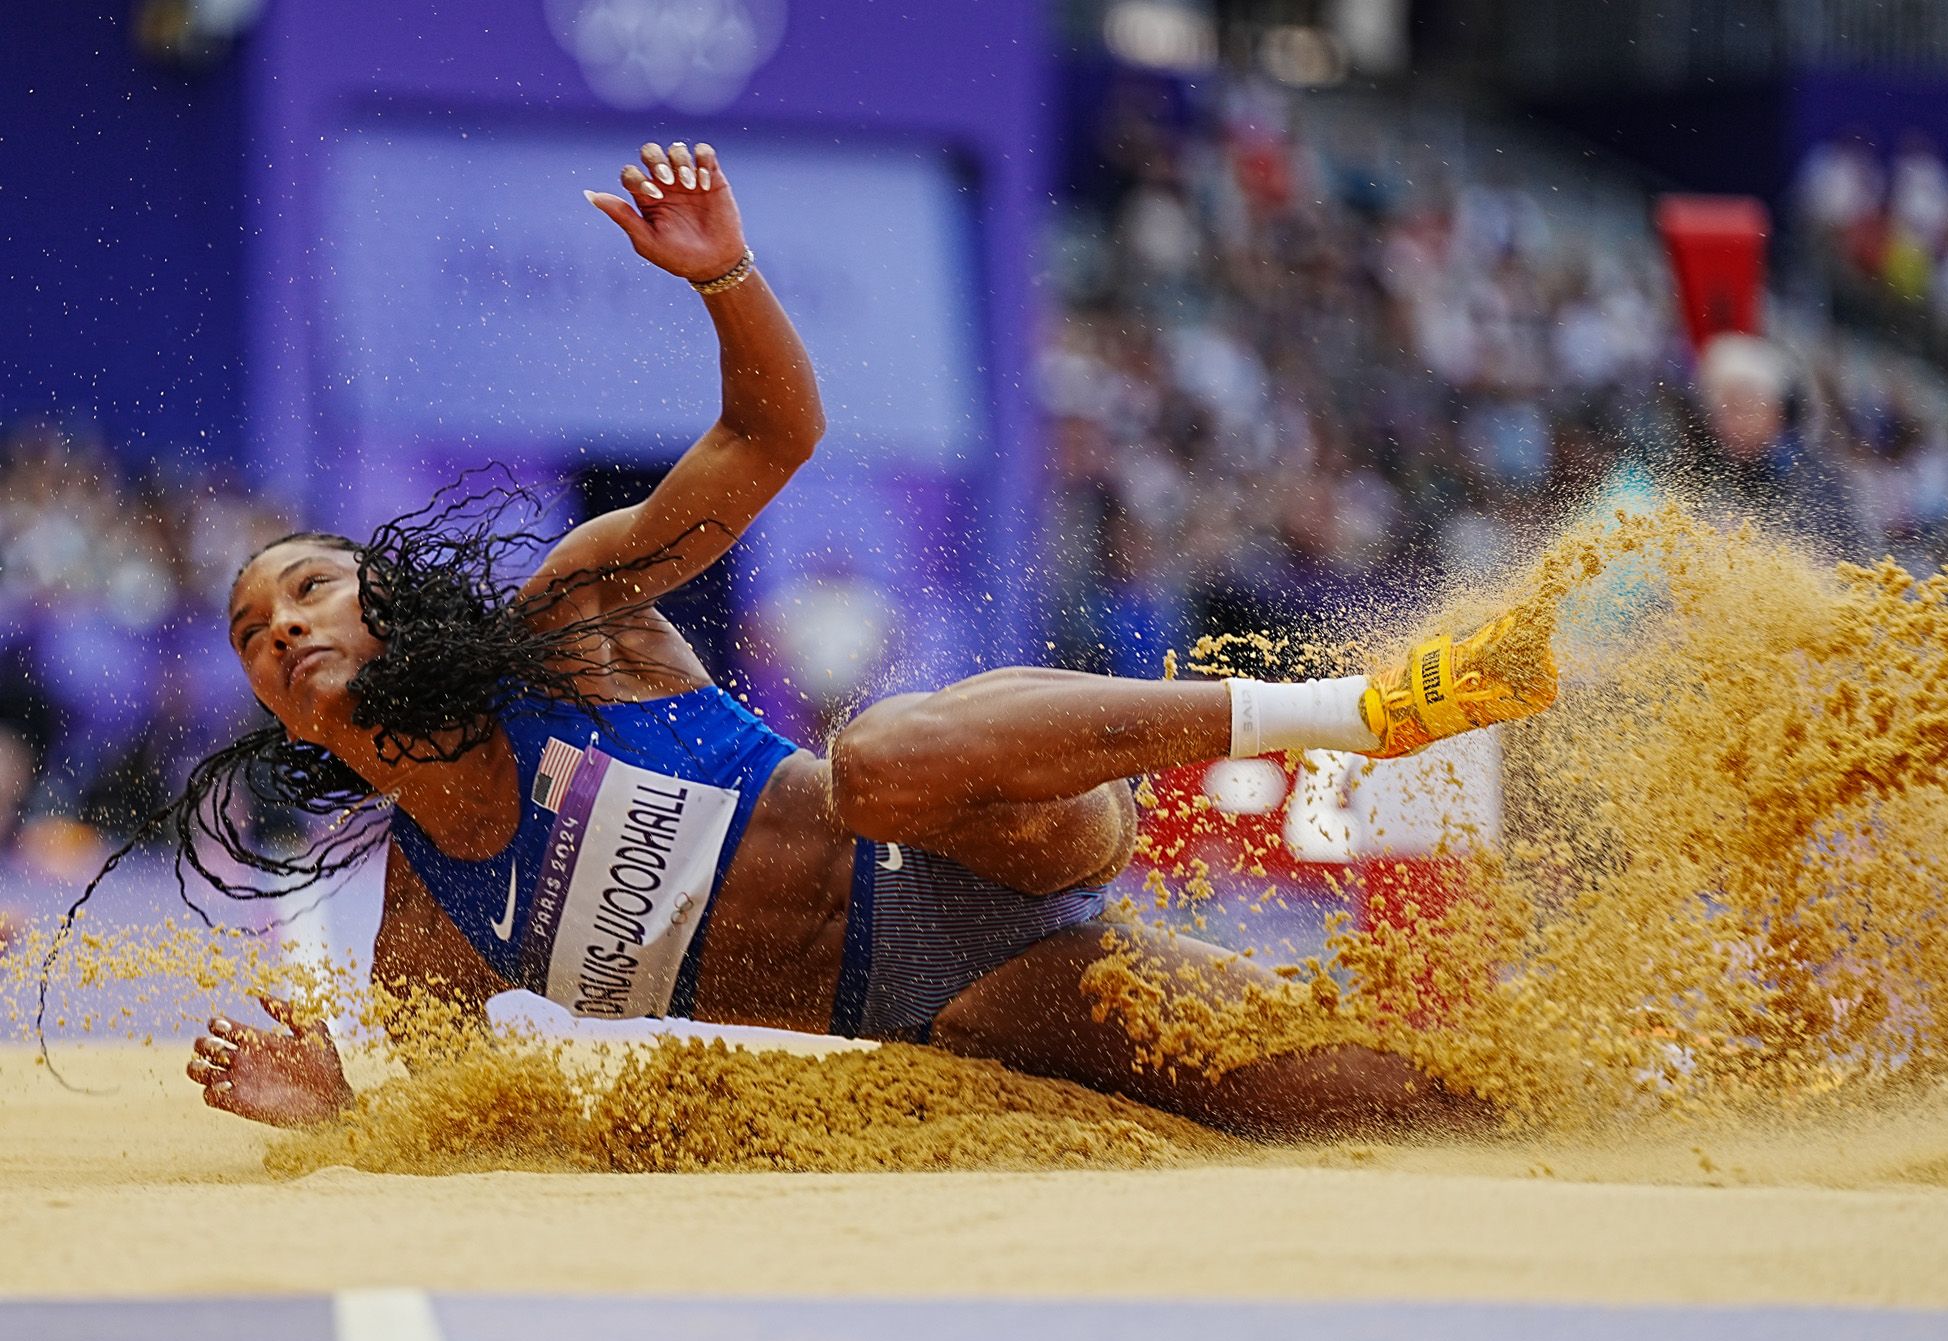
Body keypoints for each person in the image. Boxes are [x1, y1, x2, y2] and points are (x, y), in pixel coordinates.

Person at [179, 141, 1558, 1142]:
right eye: (255, 631)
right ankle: (1633, 1072)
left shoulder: (569, 629)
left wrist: (725, 278)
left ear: (391, 595)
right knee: (1347, 1099)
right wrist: (324, 1115)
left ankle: (1353, 710)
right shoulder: (426, 918)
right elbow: (436, 1120)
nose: (289, 623)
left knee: (878, 756)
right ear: (280, 713)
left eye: (309, 584)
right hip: (958, 995)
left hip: (974, 819)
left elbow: (768, 439)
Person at [1691, 333, 1864, 558]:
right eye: (1722, 411)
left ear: (1777, 412)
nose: (1732, 423)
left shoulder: (1817, 481)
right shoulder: (1707, 476)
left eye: (1743, 408)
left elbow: (1843, 556)